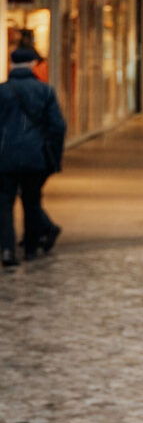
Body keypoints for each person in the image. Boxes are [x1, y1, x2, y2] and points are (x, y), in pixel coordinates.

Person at [0, 48, 66, 267]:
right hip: (35, 156)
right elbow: (57, 126)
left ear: (11, 65)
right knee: (32, 201)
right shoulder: (45, 91)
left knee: (4, 203)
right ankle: (30, 248)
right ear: (31, 65)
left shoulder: (2, 92)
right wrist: (53, 156)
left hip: (5, 157)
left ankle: (7, 250)